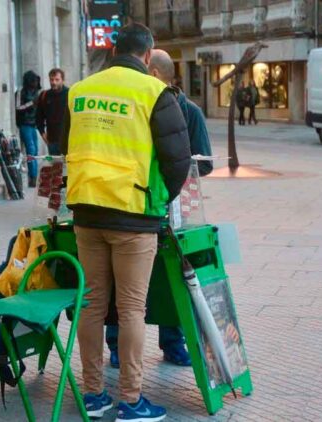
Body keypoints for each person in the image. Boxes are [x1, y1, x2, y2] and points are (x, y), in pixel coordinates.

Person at [61, 23, 190, 421]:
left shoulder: (80, 91)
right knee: (132, 308)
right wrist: (160, 198)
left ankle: (94, 394)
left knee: (92, 304)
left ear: (115, 49)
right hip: (133, 216)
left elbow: (67, 143)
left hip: (85, 212)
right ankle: (132, 401)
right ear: (148, 55)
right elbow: (178, 159)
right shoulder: (154, 92)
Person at [103, 49, 213, 371]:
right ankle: (117, 346)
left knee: (173, 276)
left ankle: (173, 342)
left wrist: (174, 174)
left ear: (152, 72)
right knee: (120, 280)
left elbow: (203, 162)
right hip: (131, 208)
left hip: (174, 210)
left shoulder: (189, 112)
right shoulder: (133, 105)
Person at [16, 71, 41, 187]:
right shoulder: (21, 92)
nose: (35, 83)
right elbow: (18, 108)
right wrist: (31, 103)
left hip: (33, 124)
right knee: (31, 151)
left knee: (35, 151)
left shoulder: (37, 92)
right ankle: (33, 177)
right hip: (24, 124)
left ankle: (34, 176)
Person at [36, 68, 69, 156]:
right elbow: (39, 118)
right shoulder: (44, 95)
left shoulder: (70, 94)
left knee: (70, 168)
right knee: (55, 168)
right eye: (51, 79)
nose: (54, 82)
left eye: (57, 80)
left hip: (69, 141)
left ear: (62, 80)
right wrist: (43, 135)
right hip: (52, 141)